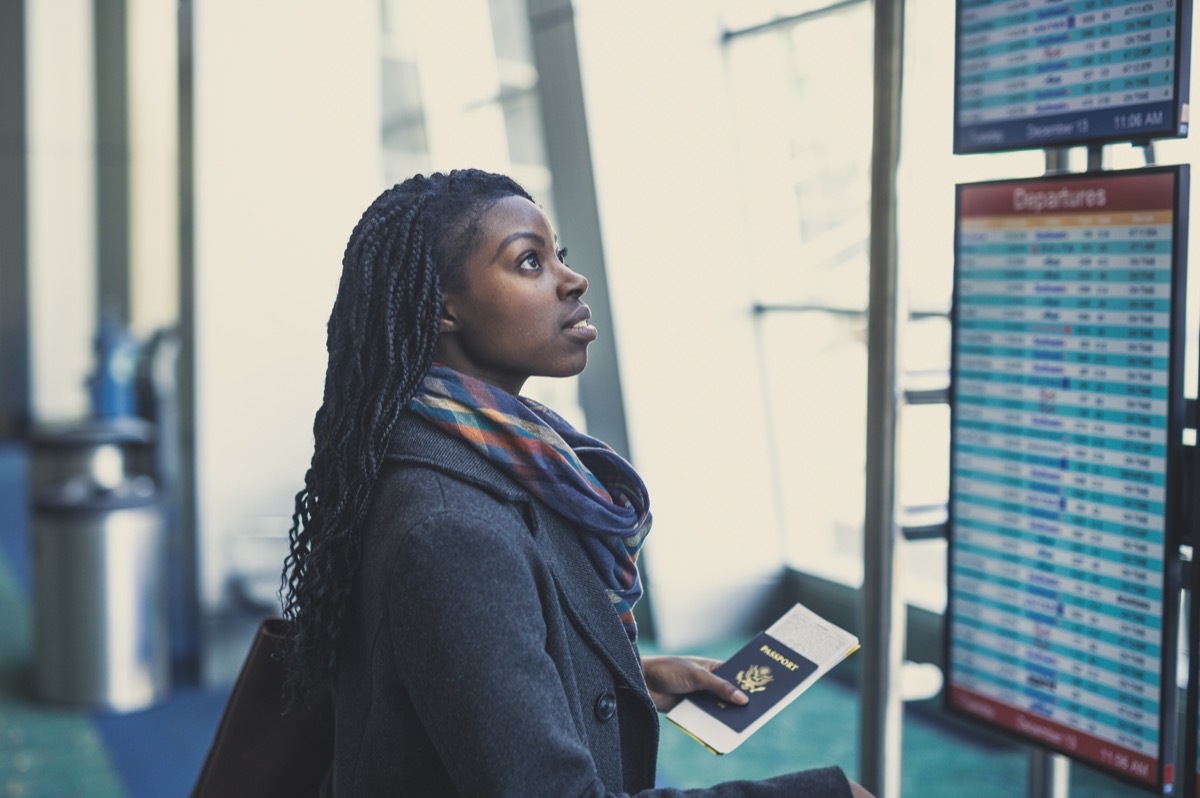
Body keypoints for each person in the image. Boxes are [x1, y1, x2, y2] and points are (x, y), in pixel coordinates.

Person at [281, 169, 873, 797]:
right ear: (442, 306)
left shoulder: (473, 452)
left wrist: (619, 678)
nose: (573, 280)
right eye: (529, 262)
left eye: (557, 255)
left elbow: (453, 676)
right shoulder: (452, 528)